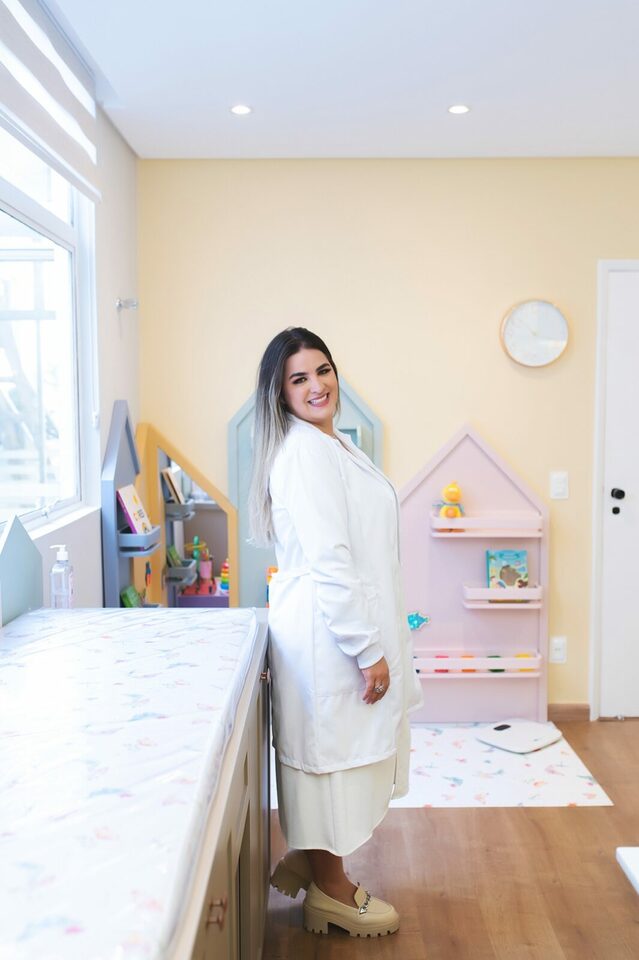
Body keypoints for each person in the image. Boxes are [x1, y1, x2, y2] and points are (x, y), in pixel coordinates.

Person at [249, 327, 422, 938]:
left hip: (336, 626)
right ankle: (331, 890)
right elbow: (331, 561)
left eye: (323, 370)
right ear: (281, 393)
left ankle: (313, 858)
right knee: (332, 761)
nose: (317, 385)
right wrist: (366, 649)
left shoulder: (333, 444)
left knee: (340, 754)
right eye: (299, 378)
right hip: (329, 635)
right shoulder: (304, 453)